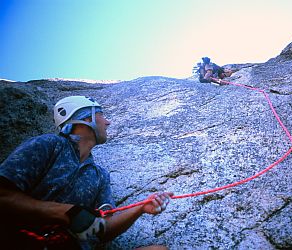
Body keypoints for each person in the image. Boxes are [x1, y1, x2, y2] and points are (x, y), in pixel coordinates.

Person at [0, 96, 173, 250]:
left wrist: (141, 207)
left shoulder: (99, 175)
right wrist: (64, 212)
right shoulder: (48, 145)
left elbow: (104, 230)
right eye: (102, 116)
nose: (107, 122)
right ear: (86, 118)